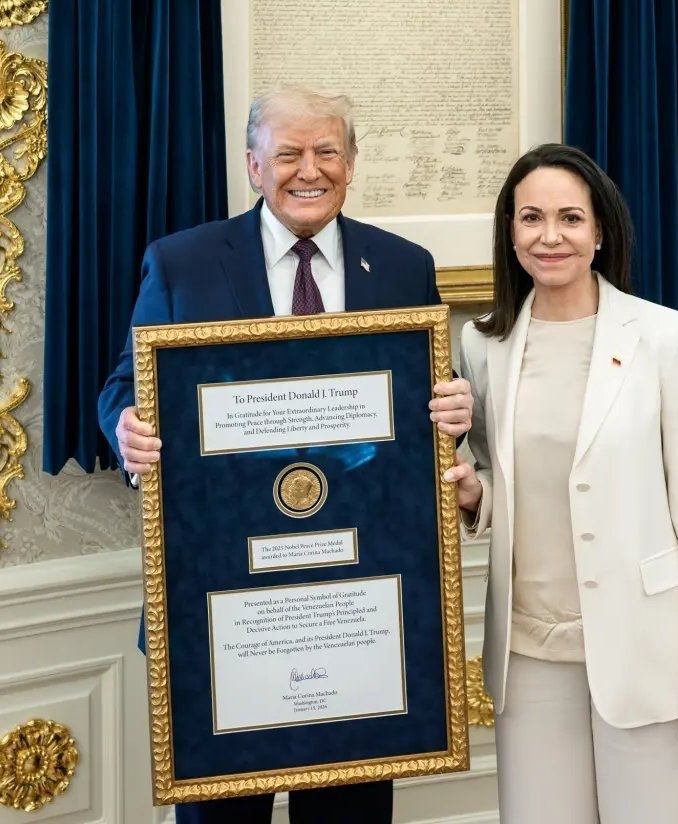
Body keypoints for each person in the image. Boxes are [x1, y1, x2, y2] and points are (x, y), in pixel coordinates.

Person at [98, 86, 473, 824]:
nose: (311, 170)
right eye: (290, 153)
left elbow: (418, 415)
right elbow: (124, 386)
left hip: (360, 595)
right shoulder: (183, 262)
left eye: (327, 152)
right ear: (253, 165)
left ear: (351, 163)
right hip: (222, 596)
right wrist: (127, 427)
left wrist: (454, 415)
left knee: (350, 810)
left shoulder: (402, 266)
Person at [446, 143, 678, 823]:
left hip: (646, 646)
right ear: (510, 232)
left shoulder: (663, 337)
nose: (550, 236)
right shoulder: (483, 345)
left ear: (600, 231)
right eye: (531, 218)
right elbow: (494, 472)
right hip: (528, 652)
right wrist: (472, 494)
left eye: (570, 219)